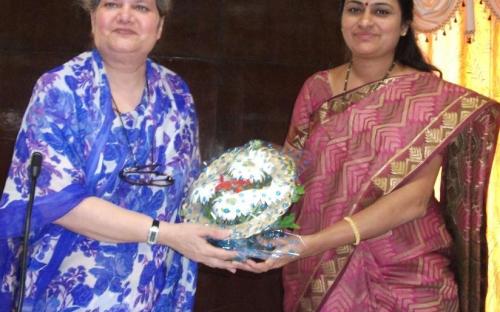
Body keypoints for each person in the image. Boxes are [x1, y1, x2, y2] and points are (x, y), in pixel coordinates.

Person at [239, 0, 500, 311]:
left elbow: (413, 201)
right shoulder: (317, 88)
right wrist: (236, 208)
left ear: (404, 26)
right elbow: (288, 173)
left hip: (408, 274)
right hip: (323, 273)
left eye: (381, 11)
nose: (365, 21)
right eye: (354, 10)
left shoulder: (428, 97)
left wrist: (310, 244)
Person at [0, 0, 238, 311]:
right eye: (112, 3)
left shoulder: (176, 94)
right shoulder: (60, 89)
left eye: (141, 7)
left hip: (152, 290)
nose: (125, 16)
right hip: (67, 291)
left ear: (160, 27)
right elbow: (57, 202)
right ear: (93, 18)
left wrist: (241, 233)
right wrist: (164, 233)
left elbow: (190, 195)